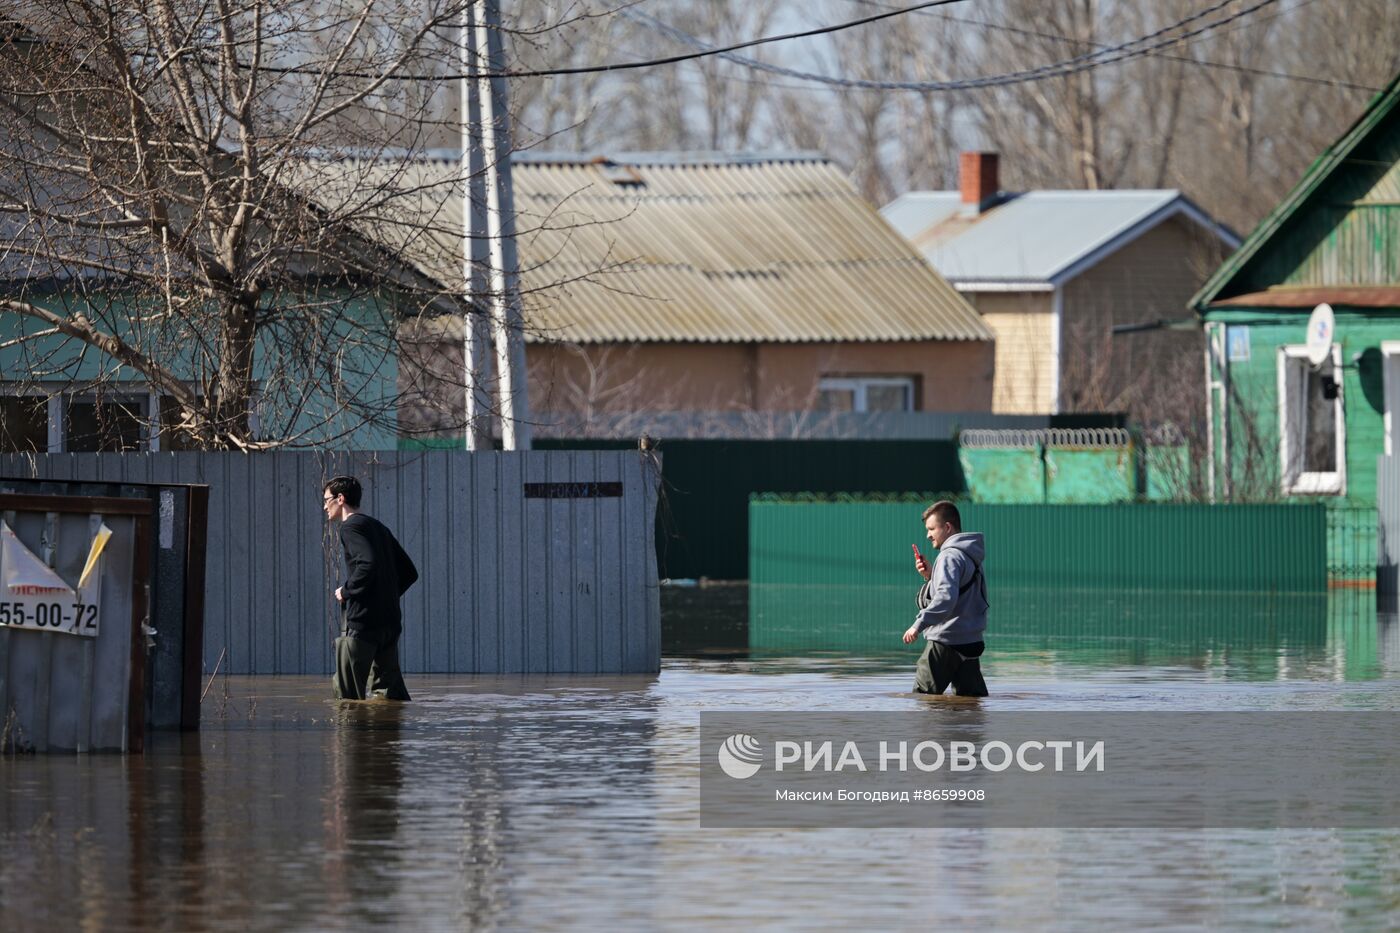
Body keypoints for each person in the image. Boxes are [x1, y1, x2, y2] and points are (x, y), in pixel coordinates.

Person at [322, 475, 418, 701]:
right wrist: (385, 597)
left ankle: (352, 738)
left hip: (362, 624)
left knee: (347, 698)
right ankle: (388, 737)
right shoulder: (378, 527)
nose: (324, 506)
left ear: (340, 498)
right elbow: (410, 572)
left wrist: (346, 590)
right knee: (389, 698)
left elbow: (367, 563)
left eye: (326, 500)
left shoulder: (350, 527)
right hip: (389, 624)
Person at [902, 500, 989, 697]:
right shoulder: (971, 555)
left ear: (947, 527)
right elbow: (961, 594)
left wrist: (918, 624)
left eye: (932, 528)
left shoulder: (948, 556)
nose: (928, 535)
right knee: (971, 708)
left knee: (921, 701)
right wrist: (931, 576)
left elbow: (945, 599)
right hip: (971, 643)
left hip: (945, 642)